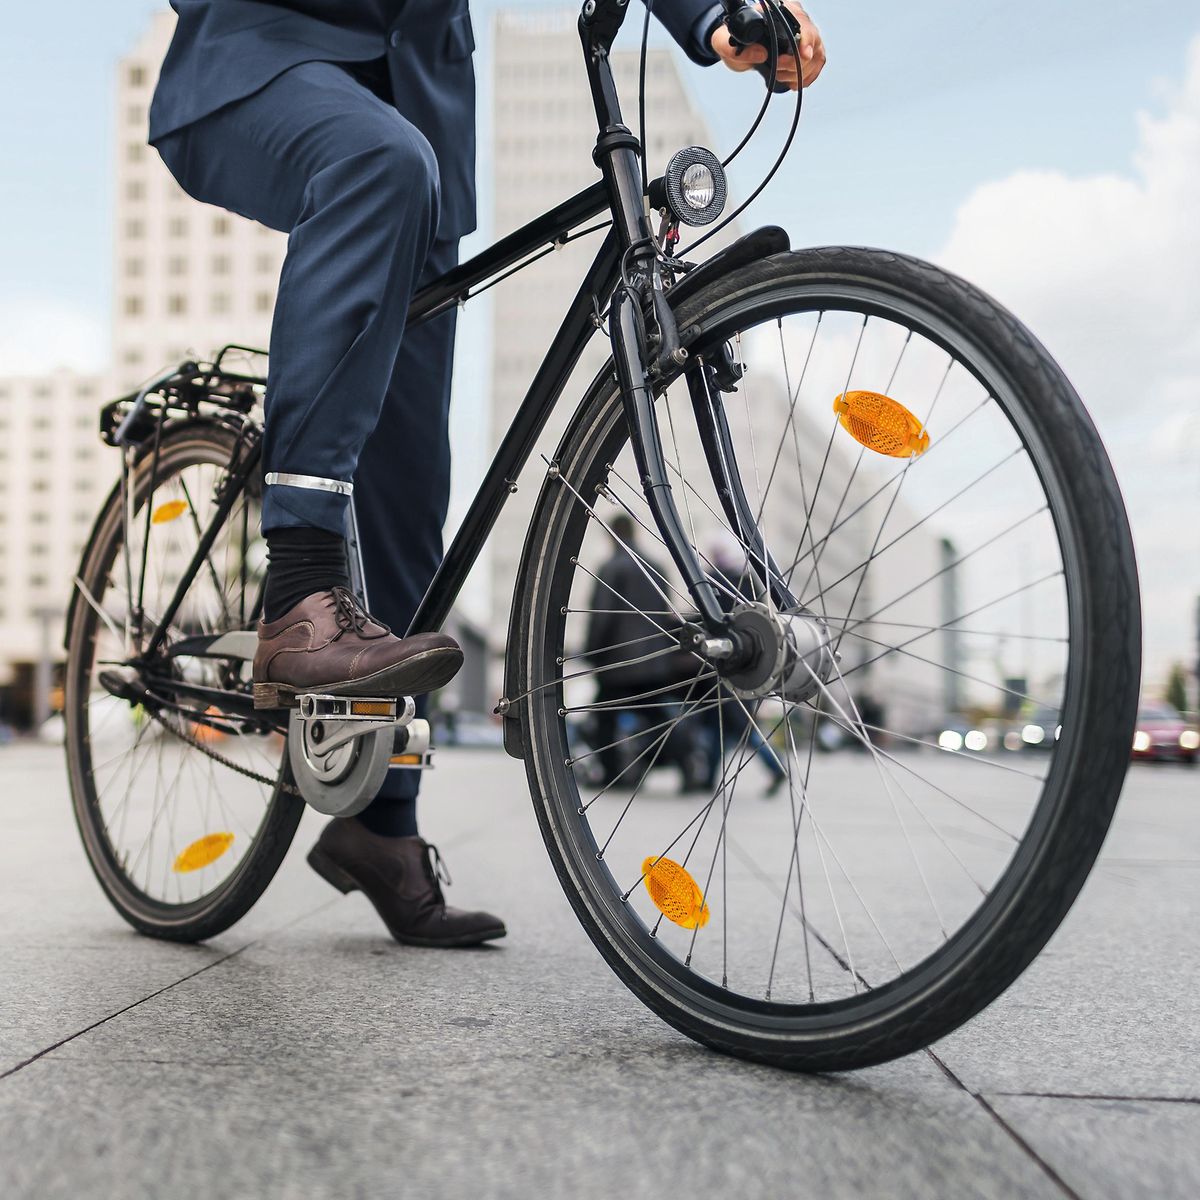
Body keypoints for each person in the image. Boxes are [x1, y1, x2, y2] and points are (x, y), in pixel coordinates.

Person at [147, 1, 826, 948]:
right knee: (374, 164)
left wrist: (718, 9)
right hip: (261, 59)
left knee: (413, 494)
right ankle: (298, 581)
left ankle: (381, 830)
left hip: (422, 126)